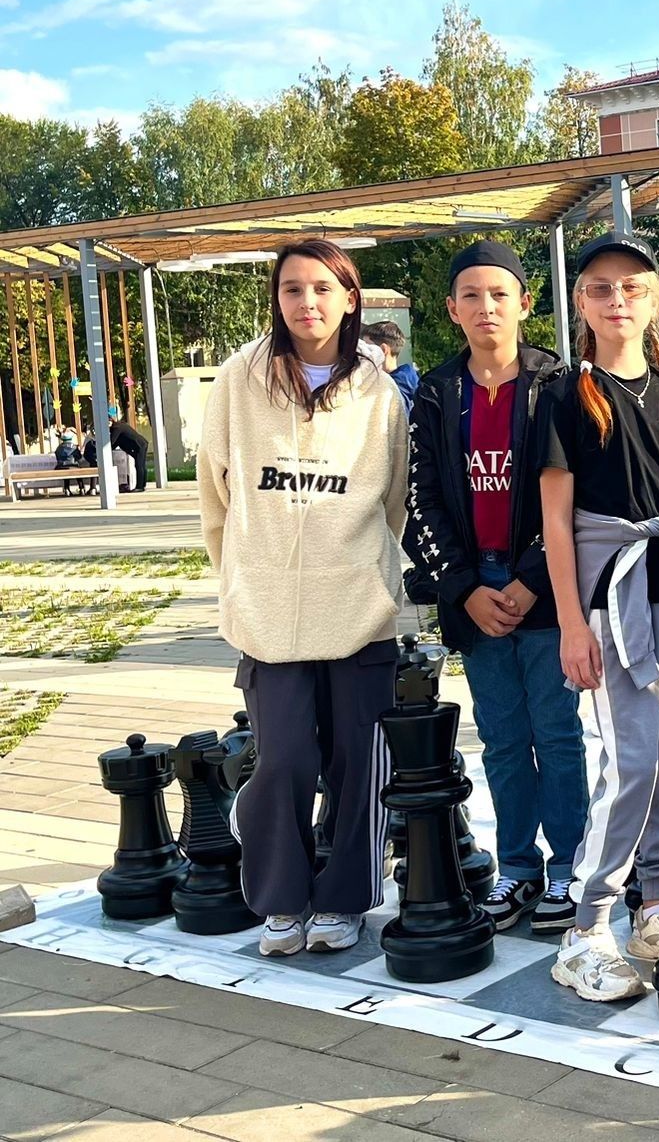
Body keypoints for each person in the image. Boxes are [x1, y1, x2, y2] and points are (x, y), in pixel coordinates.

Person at [198, 239, 409, 958]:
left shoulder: (380, 393)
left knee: (358, 764)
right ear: (277, 299)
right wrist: (241, 577)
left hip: (357, 610)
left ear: (350, 297)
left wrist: (372, 574)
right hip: (269, 613)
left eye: (322, 287)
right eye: (292, 289)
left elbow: (394, 500)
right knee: (283, 759)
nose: (307, 302)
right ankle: (280, 897)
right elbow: (216, 492)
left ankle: (345, 898)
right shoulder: (237, 379)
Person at [540, 232, 659, 1002]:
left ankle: (656, 901)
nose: (618, 300)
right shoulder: (565, 393)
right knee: (631, 760)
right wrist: (571, 625)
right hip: (610, 598)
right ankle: (586, 925)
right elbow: (555, 518)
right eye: (602, 287)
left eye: (633, 287)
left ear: (654, 301)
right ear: (582, 302)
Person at [404, 240, 586, 934]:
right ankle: (517, 868)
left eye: (500, 294)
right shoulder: (436, 391)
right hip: (473, 584)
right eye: (472, 296)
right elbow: (422, 498)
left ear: (525, 303)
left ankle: (569, 866)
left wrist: (534, 580)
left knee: (559, 733)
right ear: (452, 309)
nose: (487, 307)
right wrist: (460, 586)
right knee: (504, 737)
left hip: (543, 581)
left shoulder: (556, 384)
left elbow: (575, 496)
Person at [362, 321, 421, 416]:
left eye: (368, 348)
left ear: (383, 350)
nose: (363, 354)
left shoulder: (391, 388)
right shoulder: (411, 381)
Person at [107, 405, 148, 491]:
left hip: (140, 445)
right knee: (140, 465)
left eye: (108, 422)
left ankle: (140, 487)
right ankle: (142, 485)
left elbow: (112, 441)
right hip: (139, 445)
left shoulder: (117, 428)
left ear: (111, 420)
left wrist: (106, 448)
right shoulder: (119, 426)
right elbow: (116, 443)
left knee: (139, 465)